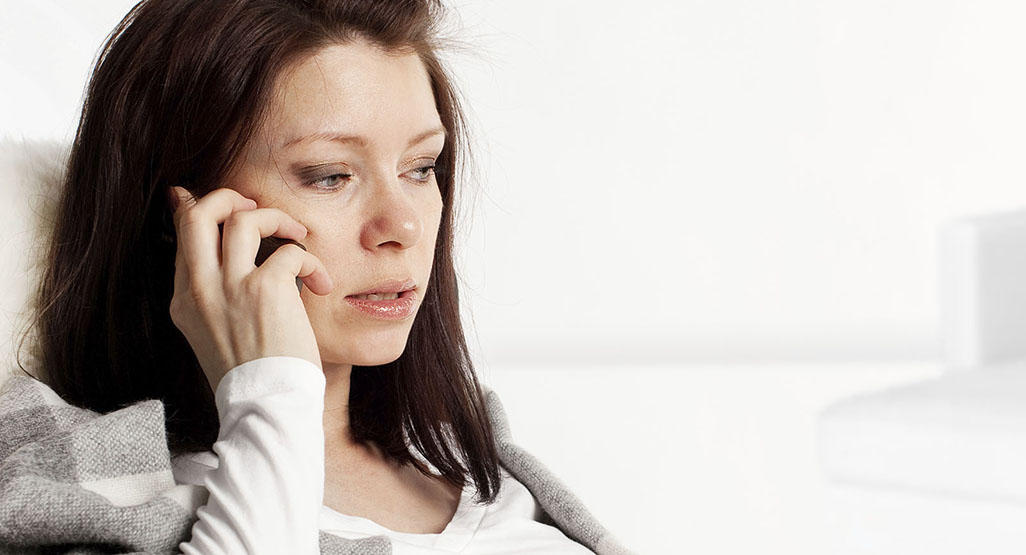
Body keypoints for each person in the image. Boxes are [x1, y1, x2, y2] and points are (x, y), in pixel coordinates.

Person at [8, 0, 631, 553]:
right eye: (331, 175)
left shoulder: (479, 462)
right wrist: (273, 393)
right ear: (184, 216)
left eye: (421, 167)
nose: (403, 227)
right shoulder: (80, 483)